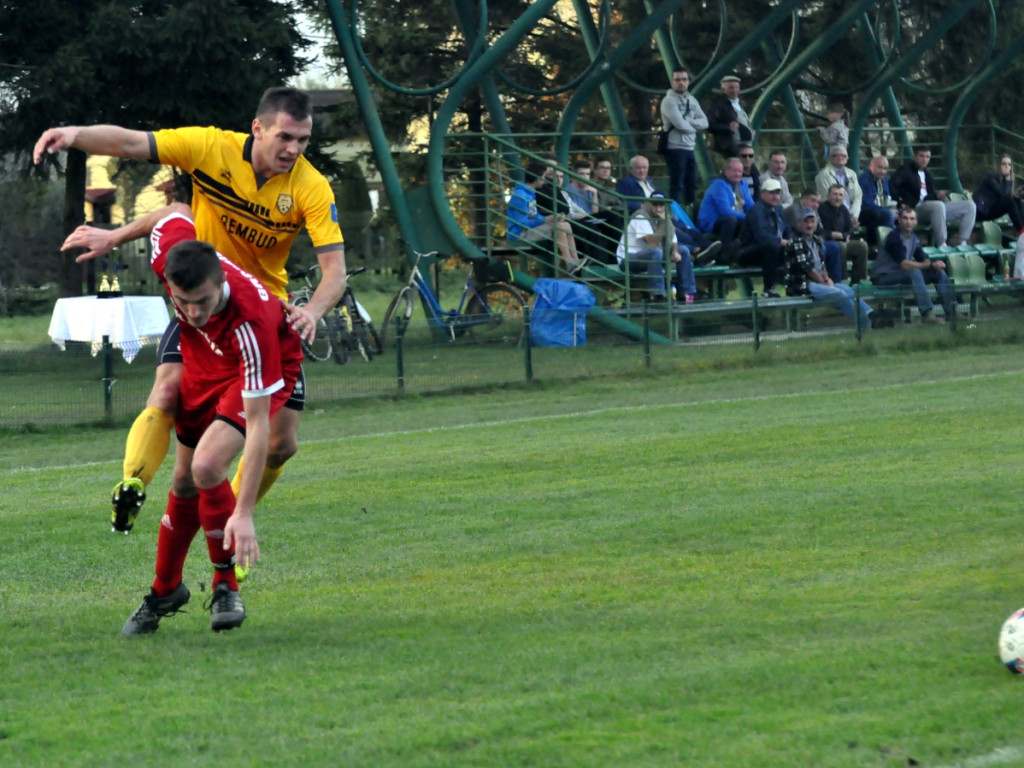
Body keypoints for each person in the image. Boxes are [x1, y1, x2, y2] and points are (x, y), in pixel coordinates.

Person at [33, 87, 345, 534]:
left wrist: (312, 311)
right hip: (201, 309)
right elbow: (131, 145)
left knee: (282, 445)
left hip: (261, 321)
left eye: (303, 140)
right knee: (166, 394)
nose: (293, 149)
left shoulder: (310, 186)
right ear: (257, 129)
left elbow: (335, 272)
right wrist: (75, 135)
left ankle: (232, 511)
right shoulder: (210, 147)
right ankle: (136, 484)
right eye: (284, 137)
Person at [64, 204, 305, 634]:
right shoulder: (171, 255)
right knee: (184, 482)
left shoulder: (252, 323)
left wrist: (245, 511)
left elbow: (257, 426)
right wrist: (113, 236)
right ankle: (164, 590)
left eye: (203, 302)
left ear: (222, 282)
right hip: (204, 356)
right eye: (183, 302)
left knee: (209, 465)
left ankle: (225, 585)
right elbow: (173, 212)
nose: (192, 312)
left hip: (255, 367)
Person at [614, 154, 721, 265]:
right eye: (638, 168)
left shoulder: (650, 182)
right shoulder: (626, 183)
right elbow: (621, 201)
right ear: (631, 169)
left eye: (644, 167)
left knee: (688, 230)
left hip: (662, 214)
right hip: (649, 218)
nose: (642, 171)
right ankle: (700, 252)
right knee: (680, 233)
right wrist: (640, 205)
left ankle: (710, 251)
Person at [784, 207, 871, 327]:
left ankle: (872, 314)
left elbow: (822, 265)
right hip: (802, 285)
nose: (809, 225)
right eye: (806, 222)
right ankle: (865, 323)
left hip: (818, 282)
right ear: (799, 224)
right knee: (839, 294)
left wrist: (827, 278)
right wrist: (823, 282)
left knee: (848, 290)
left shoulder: (817, 240)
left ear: (816, 223)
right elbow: (808, 269)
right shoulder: (796, 242)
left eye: (812, 221)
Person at [871, 207, 953, 324]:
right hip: (883, 277)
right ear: (899, 220)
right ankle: (927, 313)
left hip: (900, 275)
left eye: (911, 219)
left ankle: (950, 311)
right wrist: (928, 265)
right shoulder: (894, 237)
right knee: (914, 271)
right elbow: (904, 264)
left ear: (916, 222)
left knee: (938, 272)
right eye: (905, 218)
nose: (908, 221)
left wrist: (934, 265)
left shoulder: (914, 238)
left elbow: (922, 259)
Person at [615, 193, 696, 302]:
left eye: (661, 205)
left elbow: (674, 240)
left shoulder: (664, 218)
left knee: (684, 251)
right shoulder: (640, 217)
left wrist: (675, 251)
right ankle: (657, 295)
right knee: (655, 252)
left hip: (651, 257)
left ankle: (687, 293)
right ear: (648, 204)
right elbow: (652, 243)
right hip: (628, 259)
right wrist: (663, 223)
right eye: (655, 204)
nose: (658, 208)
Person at [891, 146, 977, 246]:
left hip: (931, 208)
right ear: (915, 157)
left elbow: (929, 196)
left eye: (927, 157)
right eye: (921, 156)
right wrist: (901, 202)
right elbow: (892, 186)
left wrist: (937, 195)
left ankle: (963, 241)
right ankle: (941, 243)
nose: (924, 159)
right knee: (938, 205)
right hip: (915, 209)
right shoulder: (905, 170)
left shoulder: (928, 174)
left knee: (970, 206)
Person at [506, 158, 581, 271]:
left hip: (529, 229)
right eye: (543, 178)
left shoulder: (531, 193)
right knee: (559, 227)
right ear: (537, 178)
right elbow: (522, 224)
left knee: (566, 225)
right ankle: (569, 263)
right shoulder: (520, 196)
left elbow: (533, 215)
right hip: (519, 234)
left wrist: (551, 218)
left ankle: (575, 259)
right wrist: (546, 219)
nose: (545, 181)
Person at [659, 67, 708, 207]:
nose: (681, 83)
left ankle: (690, 209)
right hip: (674, 147)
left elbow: (705, 122)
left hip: (689, 147)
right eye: (678, 80)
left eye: (684, 79)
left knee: (691, 182)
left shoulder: (692, 100)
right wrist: (693, 126)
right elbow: (680, 125)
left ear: (688, 81)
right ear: (672, 82)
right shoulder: (668, 101)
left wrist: (689, 123)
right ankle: (675, 214)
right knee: (677, 182)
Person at [739, 178, 791, 297]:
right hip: (749, 252)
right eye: (771, 193)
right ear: (762, 194)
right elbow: (761, 236)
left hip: (772, 251)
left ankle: (799, 286)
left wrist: (792, 242)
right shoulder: (756, 210)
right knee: (771, 245)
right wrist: (782, 242)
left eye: (777, 193)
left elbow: (787, 230)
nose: (775, 197)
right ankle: (768, 289)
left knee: (797, 248)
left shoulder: (779, 210)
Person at [698, 157, 756, 262]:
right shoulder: (718, 185)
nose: (738, 174)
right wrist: (748, 217)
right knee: (730, 219)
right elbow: (725, 211)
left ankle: (743, 255)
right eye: (734, 171)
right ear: (725, 171)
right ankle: (722, 256)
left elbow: (751, 205)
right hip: (711, 221)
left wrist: (755, 215)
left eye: (740, 171)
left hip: (735, 218)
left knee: (751, 223)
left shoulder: (743, 184)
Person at [785, 188, 844, 284]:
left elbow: (820, 230)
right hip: (798, 245)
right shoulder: (794, 209)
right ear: (803, 199)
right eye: (813, 201)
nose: (816, 205)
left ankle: (836, 282)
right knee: (823, 248)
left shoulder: (813, 210)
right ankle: (818, 279)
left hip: (813, 241)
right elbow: (804, 230)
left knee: (834, 246)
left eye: (818, 202)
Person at [818, 184, 869, 283]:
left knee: (862, 246)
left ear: (844, 197)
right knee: (841, 246)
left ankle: (859, 281)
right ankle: (843, 280)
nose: (837, 198)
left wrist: (845, 236)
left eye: (840, 195)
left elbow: (848, 229)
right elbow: (818, 230)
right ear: (828, 196)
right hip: (827, 242)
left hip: (843, 241)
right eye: (835, 194)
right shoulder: (821, 209)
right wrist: (833, 234)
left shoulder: (844, 210)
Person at [704, 74, 755, 159]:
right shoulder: (717, 104)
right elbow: (708, 124)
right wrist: (728, 128)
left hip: (745, 148)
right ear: (723, 90)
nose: (734, 90)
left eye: (736, 87)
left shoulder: (739, 103)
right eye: (731, 88)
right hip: (729, 148)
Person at [973, 154, 1024, 233]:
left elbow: (1007, 197)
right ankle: (1021, 231)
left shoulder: (1003, 180)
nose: (1007, 166)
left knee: (1017, 200)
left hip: (990, 210)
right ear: (998, 166)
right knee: (1010, 202)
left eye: (1009, 164)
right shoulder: (991, 177)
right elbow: (1004, 195)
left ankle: (1022, 229)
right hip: (980, 212)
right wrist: (1008, 179)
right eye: (1004, 164)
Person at [814, 145, 862, 227]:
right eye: (835, 155)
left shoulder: (852, 174)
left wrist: (854, 215)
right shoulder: (823, 175)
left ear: (847, 158)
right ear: (829, 158)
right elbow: (828, 199)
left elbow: (858, 196)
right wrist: (846, 216)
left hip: (853, 213)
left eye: (843, 155)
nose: (840, 157)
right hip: (833, 214)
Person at [858, 155, 896, 250]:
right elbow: (867, 203)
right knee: (888, 215)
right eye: (880, 167)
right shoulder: (864, 179)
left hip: (883, 210)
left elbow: (888, 198)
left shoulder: (885, 179)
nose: (883, 171)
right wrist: (888, 210)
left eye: (885, 168)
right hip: (867, 213)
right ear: (871, 166)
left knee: (906, 214)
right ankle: (886, 247)